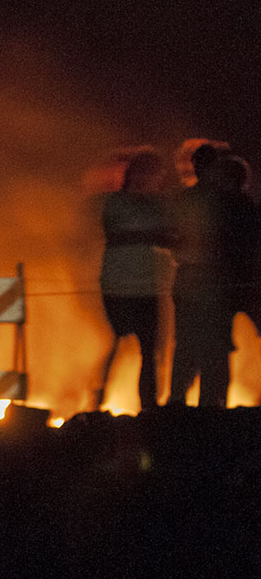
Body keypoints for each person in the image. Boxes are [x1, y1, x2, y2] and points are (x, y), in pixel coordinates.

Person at [168, 146, 259, 407]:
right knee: (210, 347)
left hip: (205, 282)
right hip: (210, 283)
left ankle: (185, 403)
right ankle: (209, 404)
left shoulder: (211, 200)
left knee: (196, 346)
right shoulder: (231, 201)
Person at [96, 150, 171, 411]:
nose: (155, 181)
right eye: (152, 175)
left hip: (146, 285)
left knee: (149, 351)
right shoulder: (117, 203)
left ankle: (148, 406)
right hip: (119, 284)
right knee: (116, 342)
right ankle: (97, 400)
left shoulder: (155, 205)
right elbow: (126, 231)